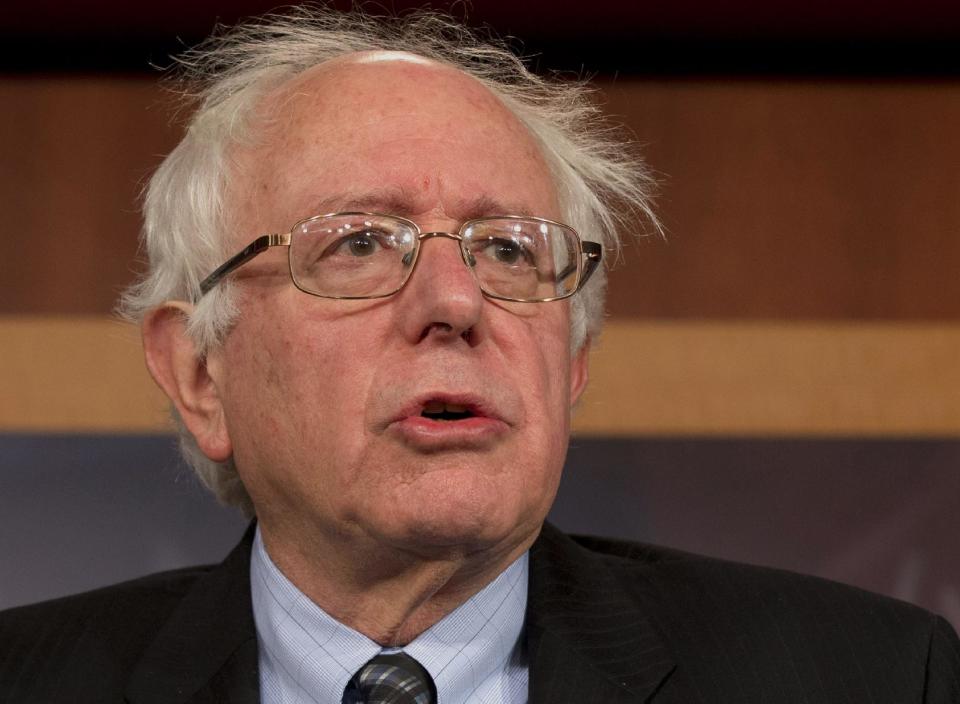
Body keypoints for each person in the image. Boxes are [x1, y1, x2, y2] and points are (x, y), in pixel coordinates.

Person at [2, 8, 958, 703]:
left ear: (572, 361)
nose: (457, 304)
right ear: (200, 374)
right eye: (359, 243)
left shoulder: (869, 676)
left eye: (508, 249)